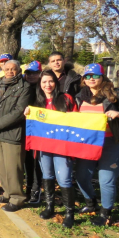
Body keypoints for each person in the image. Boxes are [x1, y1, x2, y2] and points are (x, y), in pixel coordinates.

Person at [24, 70, 78, 228]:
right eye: (44, 82)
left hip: (62, 147)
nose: (47, 85)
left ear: (56, 82)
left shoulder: (66, 99)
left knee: (64, 179)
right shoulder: (37, 102)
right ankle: (50, 206)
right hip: (44, 147)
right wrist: (28, 113)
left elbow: (75, 120)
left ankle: (69, 213)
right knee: (47, 175)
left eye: (51, 81)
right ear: (40, 85)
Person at [74, 63, 119, 226]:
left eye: (95, 75)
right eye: (87, 76)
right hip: (88, 143)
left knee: (106, 179)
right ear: (84, 79)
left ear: (102, 77)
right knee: (81, 176)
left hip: (110, 142)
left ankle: (106, 212)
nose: (91, 78)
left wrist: (118, 113)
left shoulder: (114, 95)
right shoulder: (79, 96)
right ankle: (91, 203)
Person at [0, 60, 31, 212]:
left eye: (13, 69)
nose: (10, 71)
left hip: (13, 133)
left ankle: (17, 198)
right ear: (3, 70)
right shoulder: (0, 84)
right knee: (3, 166)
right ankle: (7, 193)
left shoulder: (25, 87)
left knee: (14, 168)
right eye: (7, 69)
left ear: (19, 71)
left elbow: (19, 111)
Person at [23, 61, 43, 204]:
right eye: (28, 73)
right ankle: (28, 188)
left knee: (36, 162)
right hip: (25, 130)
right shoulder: (23, 88)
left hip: (39, 131)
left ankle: (36, 190)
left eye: (34, 73)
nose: (31, 76)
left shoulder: (43, 89)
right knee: (27, 161)